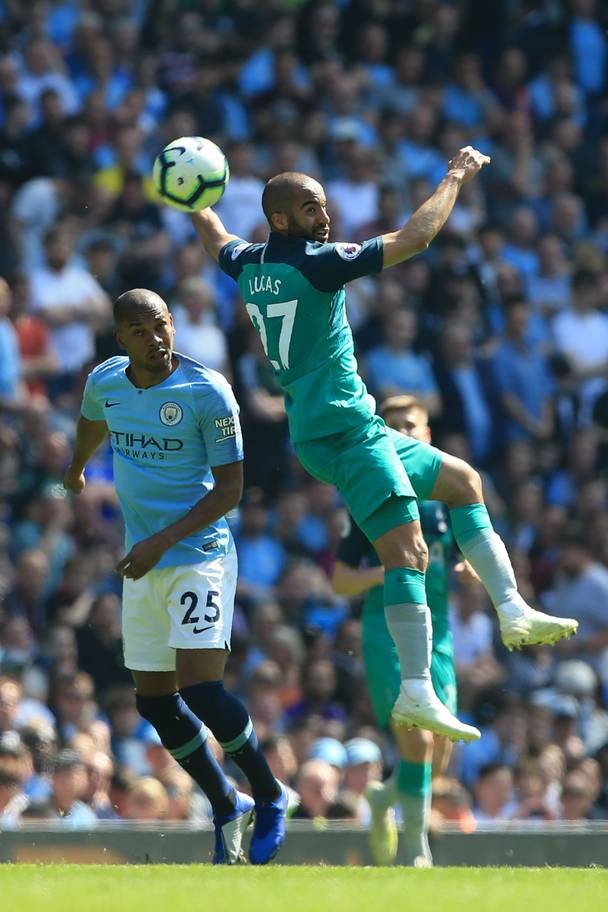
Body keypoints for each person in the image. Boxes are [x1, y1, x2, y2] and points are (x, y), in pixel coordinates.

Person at [190, 153, 577, 744]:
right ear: (281, 217)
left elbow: (216, 236)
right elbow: (416, 237)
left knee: (463, 482)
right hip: (344, 435)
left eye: (323, 202)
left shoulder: (249, 263)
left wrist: (195, 199)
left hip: (344, 429)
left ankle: (513, 610)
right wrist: (454, 178)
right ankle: (417, 688)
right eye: (311, 207)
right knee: (411, 552)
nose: (325, 215)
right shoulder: (317, 265)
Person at [63, 288, 287, 865]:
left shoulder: (207, 392)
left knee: (202, 689)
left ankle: (267, 793)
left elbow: (232, 489)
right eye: (139, 330)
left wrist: (161, 540)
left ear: (173, 325)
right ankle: (224, 802)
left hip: (199, 554)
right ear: (121, 338)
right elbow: (92, 422)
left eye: (161, 324)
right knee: (154, 702)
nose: (154, 337)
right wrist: (76, 470)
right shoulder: (106, 382)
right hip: (144, 561)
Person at [333, 395, 472, 866]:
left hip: (441, 635)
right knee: (415, 735)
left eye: (409, 425)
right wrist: (389, 571)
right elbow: (339, 579)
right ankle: (415, 847)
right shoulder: (371, 499)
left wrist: (467, 569)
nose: (402, 433)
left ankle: (385, 797)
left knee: (440, 752)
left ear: (426, 435)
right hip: (387, 632)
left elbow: (457, 562)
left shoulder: (444, 501)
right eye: (392, 426)